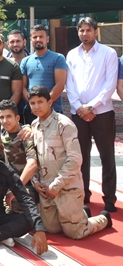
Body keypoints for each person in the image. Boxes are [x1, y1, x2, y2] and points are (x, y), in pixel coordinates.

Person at [28, 85, 112, 238]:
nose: (36, 106)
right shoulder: (34, 126)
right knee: (51, 228)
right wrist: (35, 182)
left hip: (67, 187)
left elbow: (75, 159)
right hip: (47, 189)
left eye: (40, 102)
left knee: (75, 232)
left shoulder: (64, 124)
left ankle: (103, 219)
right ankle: (81, 213)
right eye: (32, 103)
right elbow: (33, 157)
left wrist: (56, 185)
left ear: (50, 102)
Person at [65, 17, 118, 212]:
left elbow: (110, 84)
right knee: (80, 157)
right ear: (78, 32)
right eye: (81, 30)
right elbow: (69, 84)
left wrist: (91, 106)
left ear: (95, 31)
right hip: (78, 113)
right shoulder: (72, 55)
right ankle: (83, 195)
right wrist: (79, 107)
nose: (85, 33)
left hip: (102, 113)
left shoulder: (108, 53)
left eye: (88, 30)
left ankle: (109, 199)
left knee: (107, 156)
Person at [20, 24, 67, 127]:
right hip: (31, 112)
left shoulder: (58, 58)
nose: (38, 39)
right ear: (31, 40)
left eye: (41, 36)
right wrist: (33, 104)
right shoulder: (25, 61)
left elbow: (60, 85)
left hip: (53, 110)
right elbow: (22, 87)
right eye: (35, 37)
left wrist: (44, 105)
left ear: (47, 39)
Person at [0, 99, 38, 213]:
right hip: (8, 181)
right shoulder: (3, 130)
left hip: (27, 183)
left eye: (9, 116)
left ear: (17, 118)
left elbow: (32, 164)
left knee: (17, 201)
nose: (5, 121)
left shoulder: (25, 135)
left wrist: (15, 189)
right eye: (2, 117)